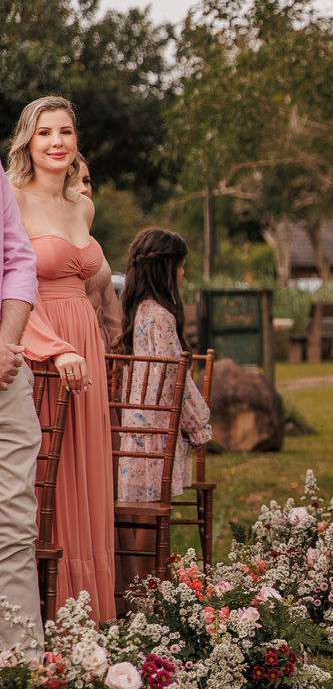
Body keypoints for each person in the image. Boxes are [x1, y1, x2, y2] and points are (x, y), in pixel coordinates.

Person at [7, 96, 115, 622]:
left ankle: (91, 613)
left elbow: (94, 279)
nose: (56, 142)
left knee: (89, 472)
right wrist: (54, 347)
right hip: (43, 347)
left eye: (66, 132)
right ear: (28, 139)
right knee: (49, 475)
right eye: (45, 132)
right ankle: (45, 610)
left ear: (76, 142)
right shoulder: (11, 199)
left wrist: (98, 333)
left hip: (86, 346)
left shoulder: (83, 205)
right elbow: (10, 286)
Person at [113, 229, 212, 582]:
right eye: (182, 267)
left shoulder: (140, 311)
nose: (184, 275)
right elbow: (176, 382)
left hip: (137, 427)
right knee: (153, 516)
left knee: (139, 512)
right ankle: (148, 592)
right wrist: (200, 425)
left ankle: (139, 590)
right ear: (166, 269)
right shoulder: (161, 318)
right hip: (156, 433)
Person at [0, 155, 43, 652]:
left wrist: (8, 346)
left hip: (7, 372)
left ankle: (23, 663)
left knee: (13, 522)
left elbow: (17, 259)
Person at [71, 156, 122, 351]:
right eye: (73, 181)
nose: (83, 188)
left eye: (86, 180)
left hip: (104, 354)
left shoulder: (93, 244)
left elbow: (113, 315)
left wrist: (118, 353)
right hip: (67, 356)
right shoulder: (44, 244)